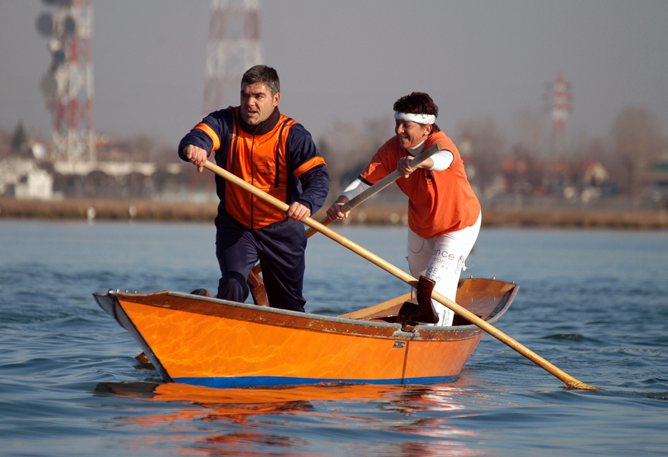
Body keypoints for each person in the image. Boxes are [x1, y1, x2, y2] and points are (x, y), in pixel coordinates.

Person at [179, 65, 329, 312]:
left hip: (282, 229)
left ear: (275, 99)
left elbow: (318, 177)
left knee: (288, 307)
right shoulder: (224, 121)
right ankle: (216, 319)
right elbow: (199, 136)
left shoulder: (293, 135)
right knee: (234, 285)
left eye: (259, 96)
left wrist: (306, 202)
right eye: (245, 95)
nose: (250, 103)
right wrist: (195, 147)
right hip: (236, 226)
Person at [327, 92, 481, 326]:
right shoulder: (391, 149)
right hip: (421, 224)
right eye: (397, 123)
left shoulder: (439, 142)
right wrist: (342, 200)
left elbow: (443, 159)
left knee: (434, 287)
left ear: (426, 128)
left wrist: (418, 163)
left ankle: (435, 333)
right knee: (420, 282)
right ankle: (421, 323)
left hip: (458, 224)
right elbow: (364, 182)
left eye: (406, 125)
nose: (399, 130)